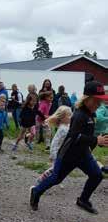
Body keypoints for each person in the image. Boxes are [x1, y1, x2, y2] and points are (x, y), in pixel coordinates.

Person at [30, 81, 108, 213]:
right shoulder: (79, 115)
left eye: (101, 101)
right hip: (68, 154)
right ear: (87, 99)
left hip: (83, 154)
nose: (99, 104)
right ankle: (36, 191)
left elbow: (87, 135)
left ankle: (83, 200)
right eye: (97, 100)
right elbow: (75, 136)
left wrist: (98, 139)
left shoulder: (91, 114)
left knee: (96, 175)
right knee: (56, 179)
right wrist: (96, 139)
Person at [36, 106, 72, 183]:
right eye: (68, 115)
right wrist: (53, 154)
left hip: (64, 153)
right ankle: (43, 179)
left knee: (58, 169)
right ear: (62, 118)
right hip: (58, 153)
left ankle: (48, 179)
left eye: (71, 114)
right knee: (56, 169)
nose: (71, 117)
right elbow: (55, 142)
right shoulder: (62, 129)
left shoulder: (67, 126)